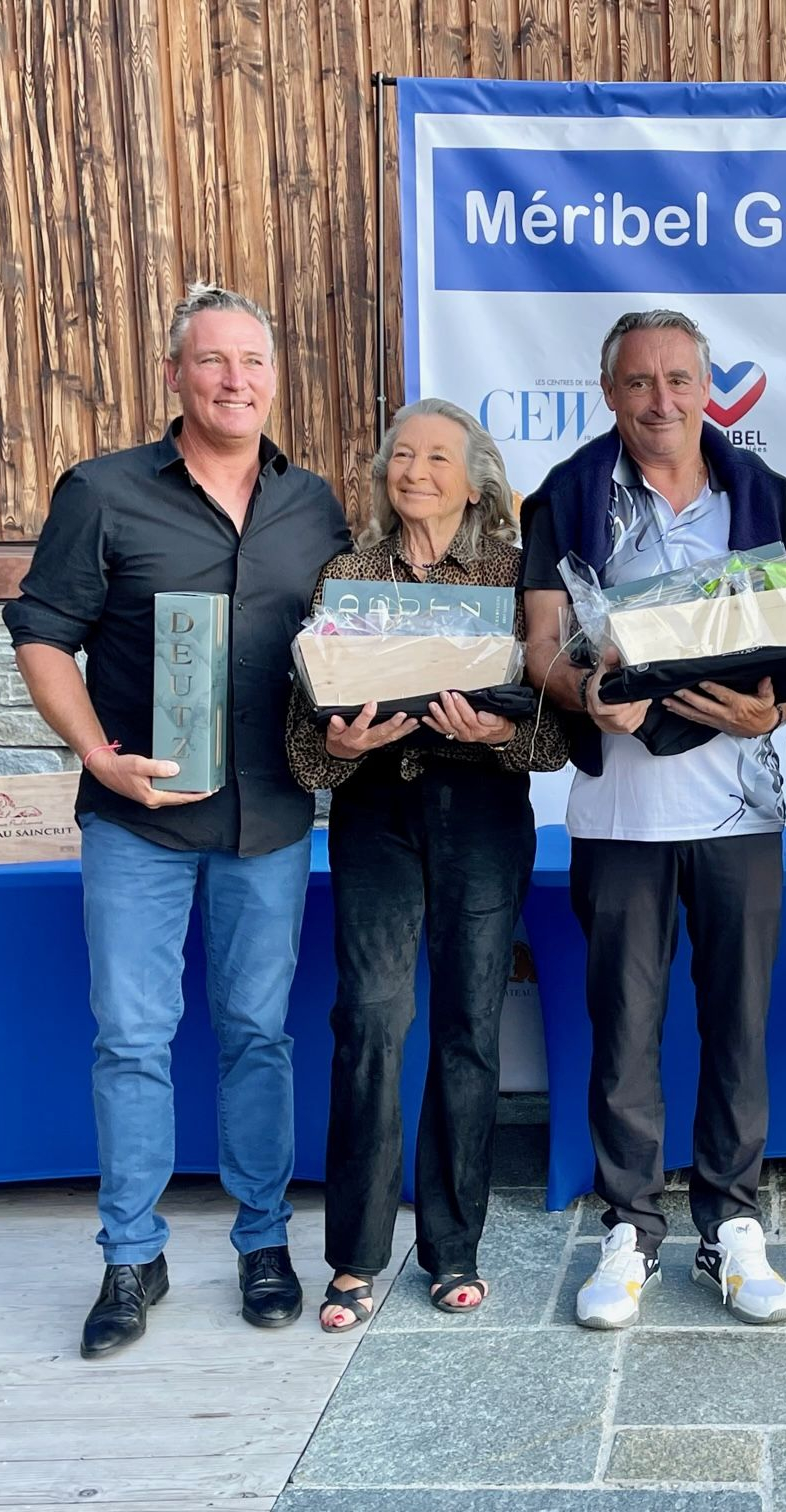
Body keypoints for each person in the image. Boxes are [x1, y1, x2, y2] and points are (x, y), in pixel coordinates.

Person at [6, 284, 352, 1359]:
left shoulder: (315, 506)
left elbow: (342, 646)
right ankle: (130, 1254)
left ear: (274, 378)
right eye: (212, 361)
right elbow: (42, 636)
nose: (235, 380)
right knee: (131, 1039)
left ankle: (263, 1242)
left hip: (271, 819)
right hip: (138, 823)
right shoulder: (102, 492)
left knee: (259, 1035)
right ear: (174, 375)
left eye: (253, 361)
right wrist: (97, 755)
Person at [520, 309, 786, 1329]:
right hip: (618, 812)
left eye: (679, 379)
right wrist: (584, 694)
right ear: (609, 393)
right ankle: (630, 1228)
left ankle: (733, 1223)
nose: (661, 400)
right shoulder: (565, 495)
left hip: (741, 809)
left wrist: (772, 712)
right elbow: (541, 647)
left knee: (738, 1026)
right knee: (624, 1031)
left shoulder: (769, 495)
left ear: (705, 388)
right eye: (639, 382)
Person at [285, 398, 568, 1331]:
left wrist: (498, 733)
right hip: (376, 814)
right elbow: (305, 748)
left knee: (469, 1026)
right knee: (369, 1020)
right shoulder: (346, 577)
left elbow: (556, 735)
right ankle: (355, 1255)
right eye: (401, 456)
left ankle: (454, 1247)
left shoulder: (513, 576)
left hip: (481, 813)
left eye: (438, 457)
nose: (414, 471)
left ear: (476, 481)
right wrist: (342, 743)